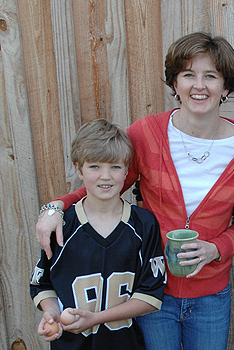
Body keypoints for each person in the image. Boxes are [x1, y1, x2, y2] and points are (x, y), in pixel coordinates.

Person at [35, 32, 234, 350]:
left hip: (212, 296)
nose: (199, 85)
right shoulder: (146, 134)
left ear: (225, 87)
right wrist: (56, 206)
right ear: (174, 84)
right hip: (151, 294)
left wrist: (215, 249)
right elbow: (106, 187)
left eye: (210, 76)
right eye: (188, 75)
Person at [30, 119, 165, 349]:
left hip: (125, 343)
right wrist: (51, 313)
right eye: (95, 166)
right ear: (78, 169)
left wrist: (95, 319)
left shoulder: (143, 224)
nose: (105, 176)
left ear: (126, 171)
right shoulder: (63, 225)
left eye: (115, 167)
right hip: (71, 344)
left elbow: (151, 295)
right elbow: (43, 283)